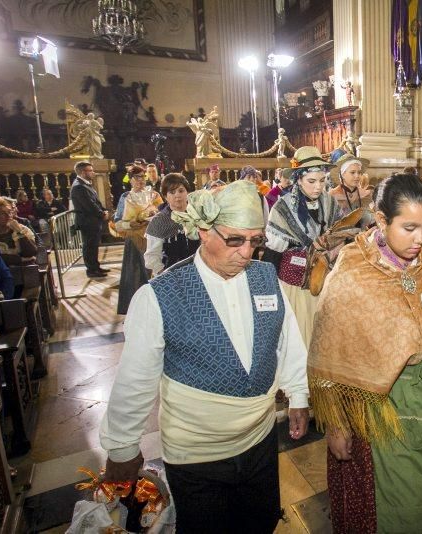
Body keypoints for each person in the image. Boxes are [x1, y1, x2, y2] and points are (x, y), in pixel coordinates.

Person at [100, 179, 309, 533]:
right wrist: (122, 446)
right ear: (202, 231)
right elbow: (136, 379)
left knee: (260, 521)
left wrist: (298, 394)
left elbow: (287, 339)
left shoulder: (265, 277)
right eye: (235, 239)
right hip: (196, 455)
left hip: (259, 442)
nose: (247, 252)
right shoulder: (158, 297)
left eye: (255, 241)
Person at [309, 174, 422, 533]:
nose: (421, 239)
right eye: (410, 227)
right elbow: (330, 354)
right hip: (384, 410)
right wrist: (336, 424)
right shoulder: (352, 271)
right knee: (405, 501)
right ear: (381, 220)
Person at [265, 147, 341, 347]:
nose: (318, 187)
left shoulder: (331, 203)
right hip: (294, 286)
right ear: (298, 179)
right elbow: (272, 255)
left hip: (323, 280)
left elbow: (340, 237)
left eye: (322, 180)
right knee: (298, 339)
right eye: (312, 181)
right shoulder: (282, 208)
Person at [114, 165, 162, 315]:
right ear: (130, 179)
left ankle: (156, 306)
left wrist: (155, 214)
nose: (141, 180)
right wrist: (130, 224)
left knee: (154, 270)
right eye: (137, 177)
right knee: (136, 274)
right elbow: (117, 223)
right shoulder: (126, 197)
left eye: (143, 177)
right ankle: (138, 308)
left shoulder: (153, 194)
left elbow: (162, 211)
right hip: (135, 239)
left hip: (153, 236)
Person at [144, 173, 200, 277]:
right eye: (172, 192)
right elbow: (152, 256)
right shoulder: (159, 221)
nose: (177, 195)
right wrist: (165, 276)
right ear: (165, 196)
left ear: (188, 192)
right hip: (173, 275)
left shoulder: (198, 214)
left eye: (181, 190)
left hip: (201, 273)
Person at [70, 161, 109, 278]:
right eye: (90, 170)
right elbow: (89, 205)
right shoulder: (79, 186)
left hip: (92, 221)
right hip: (87, 221)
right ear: (83, 172)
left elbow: (95, 201)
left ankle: (96, 266)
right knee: (89, 246)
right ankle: (91, 270)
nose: (93, 172)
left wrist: (103, 210)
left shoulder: (85, 184)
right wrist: (102, 214)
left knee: (94, 245)